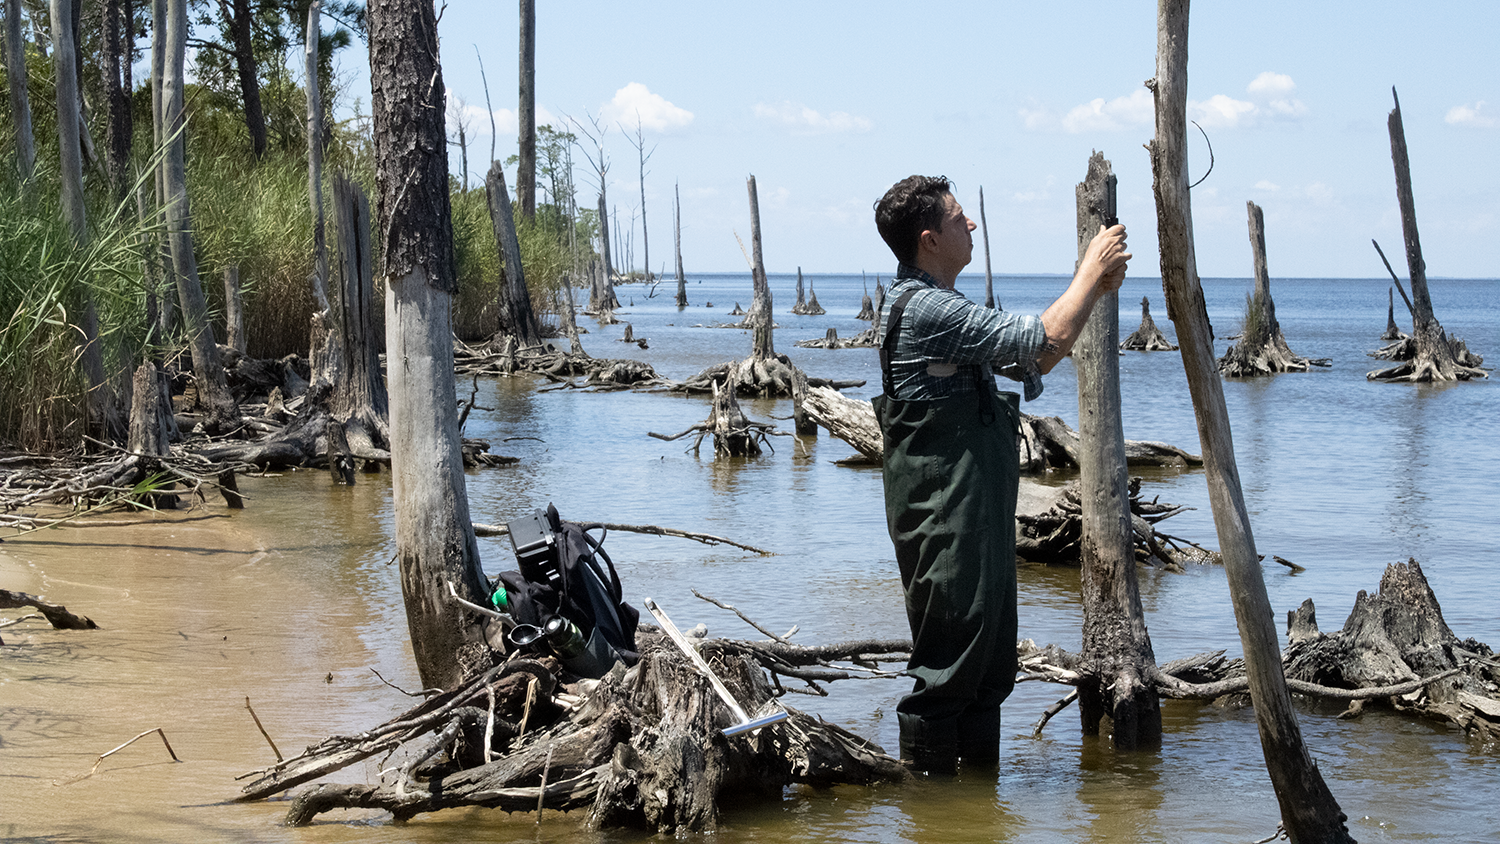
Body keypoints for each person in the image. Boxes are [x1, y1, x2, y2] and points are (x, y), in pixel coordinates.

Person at [872, 175, 1130, 773]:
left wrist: (1091, 289)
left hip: (969, 507)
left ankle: (973, 817)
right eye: (961, 218)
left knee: (988, 662)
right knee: (949, 664)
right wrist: (1090, 271)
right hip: (942, 509)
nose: (973, 226)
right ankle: (931, 815)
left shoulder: (946, 306)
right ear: (930, 239)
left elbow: (1031, 357)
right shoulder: (927, 309)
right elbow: (1043, 339)